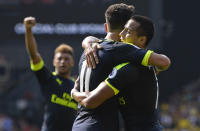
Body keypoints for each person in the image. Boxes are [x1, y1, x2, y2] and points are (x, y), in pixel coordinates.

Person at [71, 3, 170, 131]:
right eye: (123, 30)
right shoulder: (129, 59)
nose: (122, 34)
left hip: (82, 124)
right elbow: (162, 64)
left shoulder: (91, 53)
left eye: (127, 31)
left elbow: (90, 101)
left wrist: (73, 93)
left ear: (106, 27)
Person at [24, 16, 77, 131]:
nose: (63, 62)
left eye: (67, 59)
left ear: (72, 62)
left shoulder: (77, 86)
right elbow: (34, 55)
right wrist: (28, 30)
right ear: (54, 61)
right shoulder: (48, 79)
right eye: (59, 59)